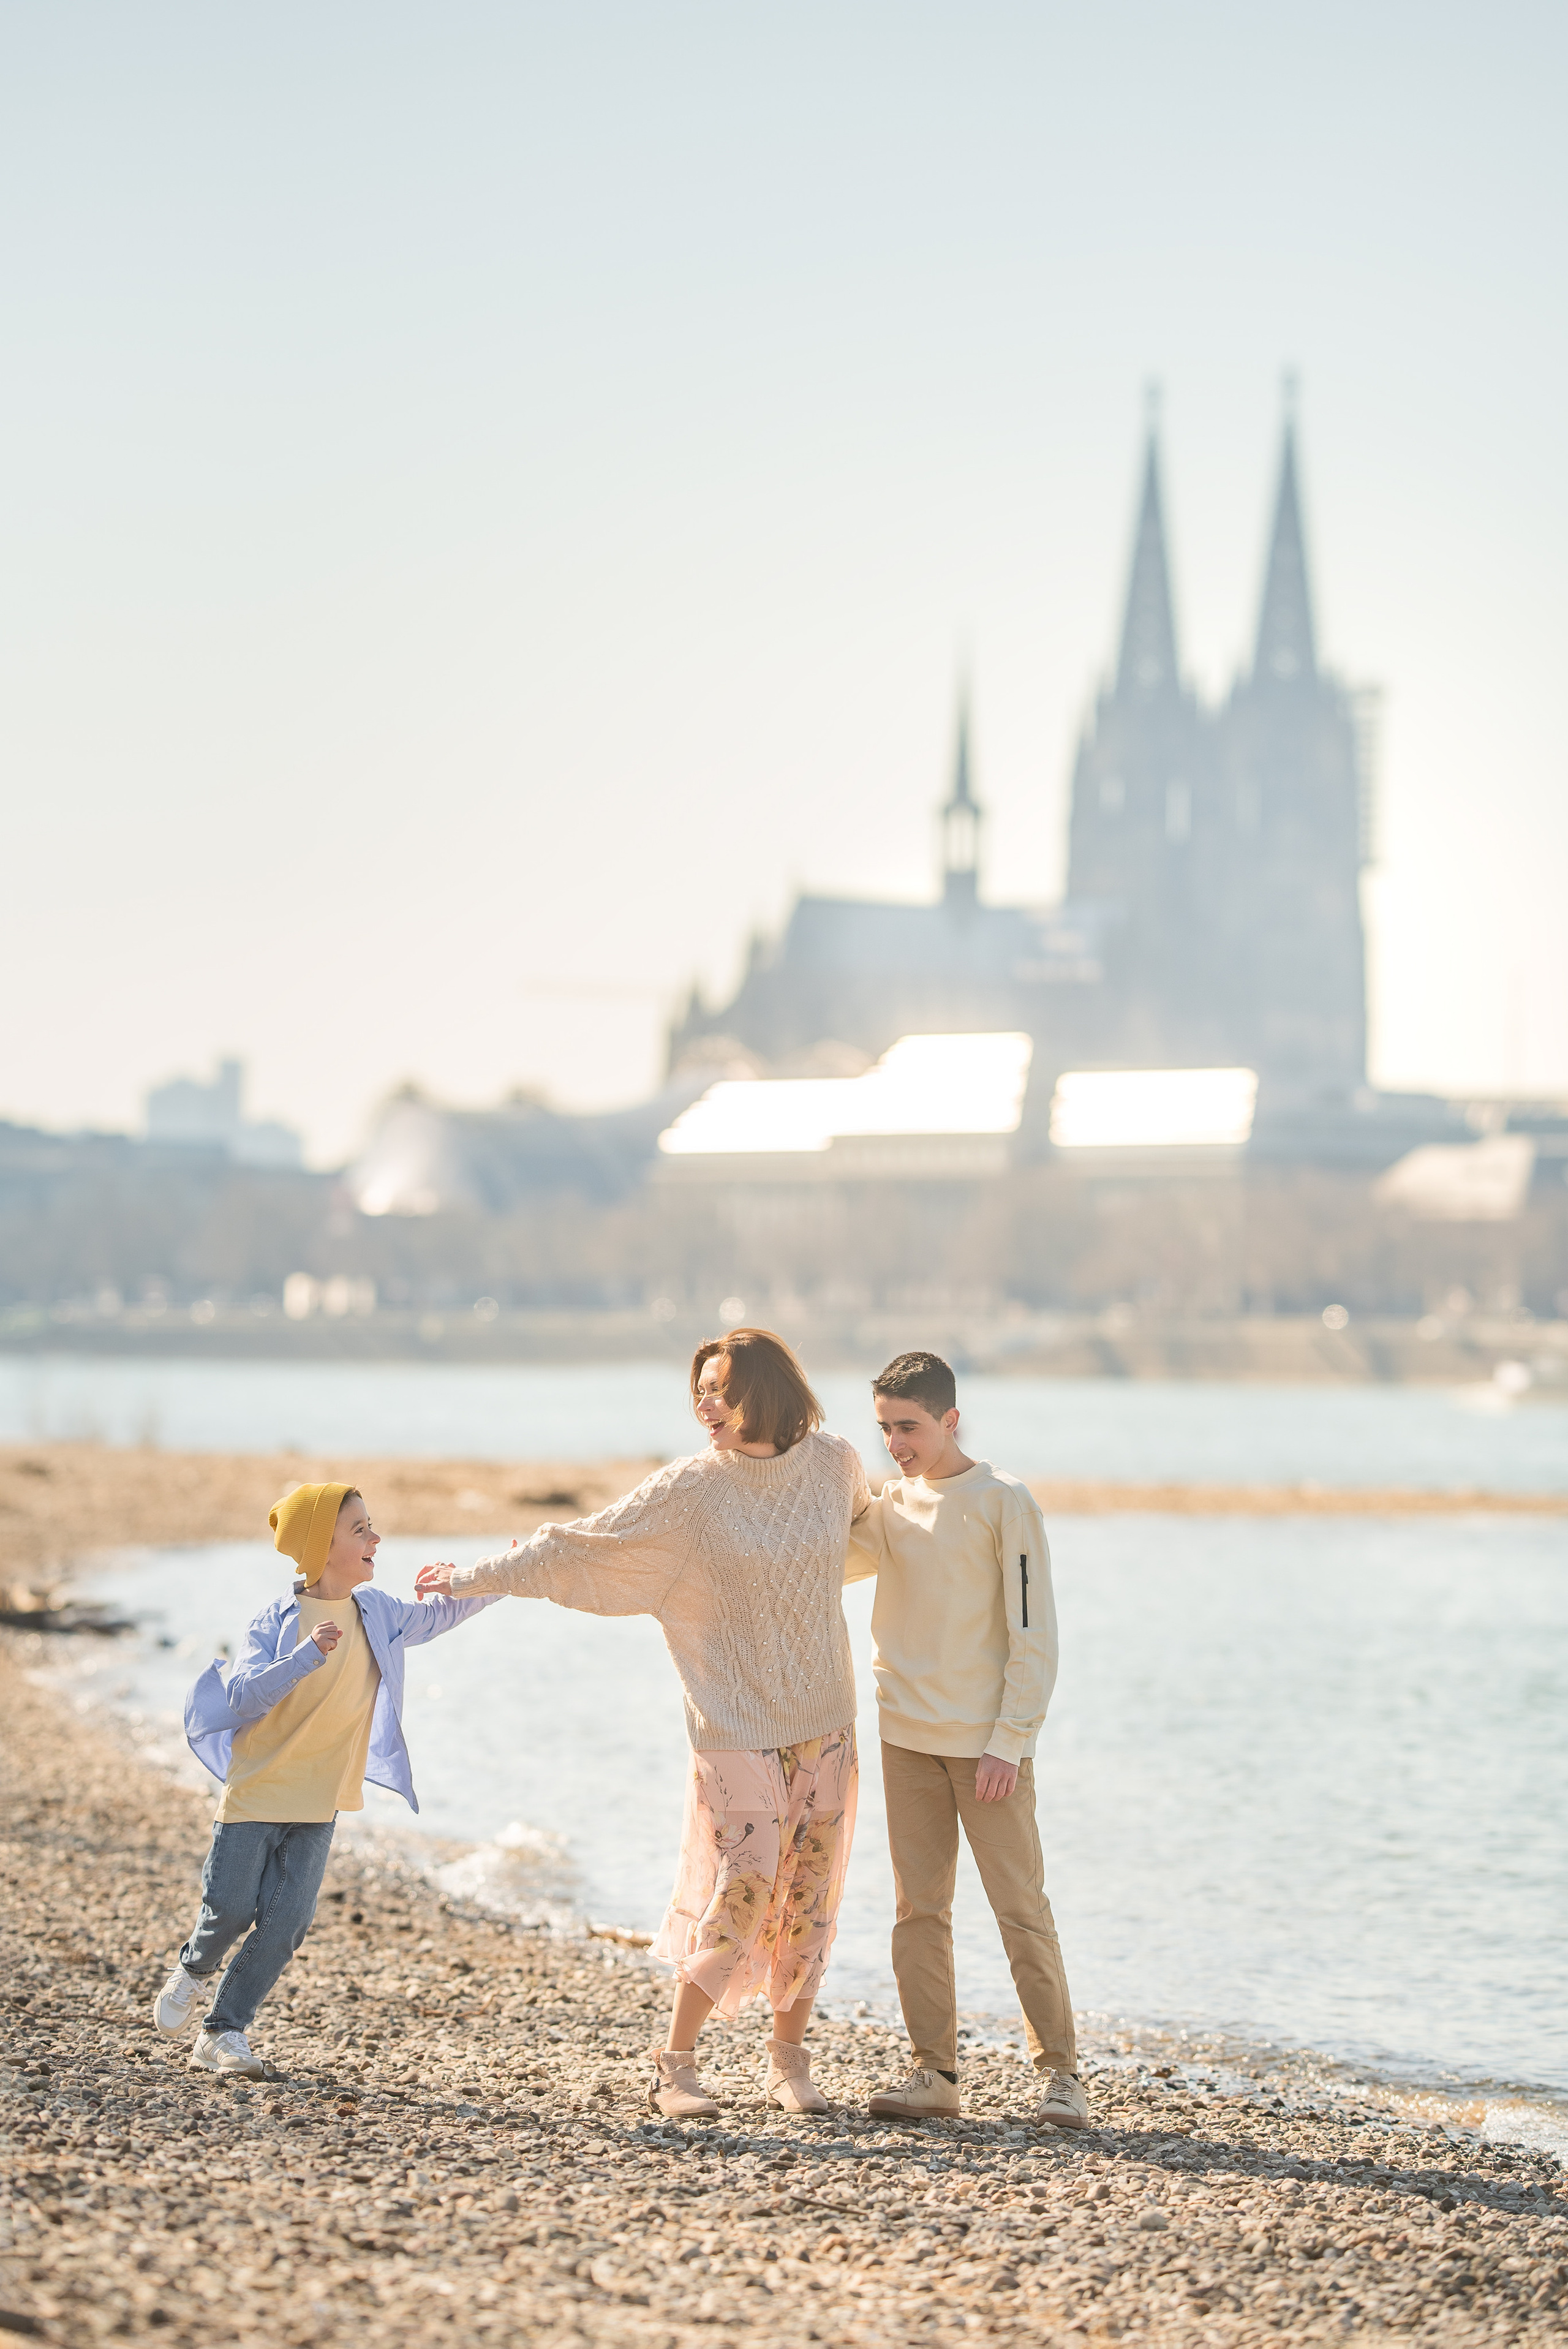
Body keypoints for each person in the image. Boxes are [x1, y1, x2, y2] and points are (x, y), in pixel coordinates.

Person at [417, 1329, 870, 2119]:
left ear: (767, 1390)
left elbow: (872, 1538)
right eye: (699, 1389)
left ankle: (788, 2063)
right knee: (747, 1885)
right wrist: (471, 1577)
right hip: (731, 1720)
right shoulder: (693, 1488)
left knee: (810, 1895)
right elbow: (587, 1546)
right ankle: (676, 2066)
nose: (706, 1404)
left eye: (721, 1389)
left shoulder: (835, 1464)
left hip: (826, 1717)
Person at [156, 1482, 498, 2078]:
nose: (375, 1537)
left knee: (287, 1922)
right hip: (258, 1790)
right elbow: (241, 1695)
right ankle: (193, 1967)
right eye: (360, 1528)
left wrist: (495, 1579)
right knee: (231, 1910)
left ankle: (222, 2031)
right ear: (323, 1545)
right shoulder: (276, 1620)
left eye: (371, 1525)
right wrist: (304, 1657)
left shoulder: (380, 1612)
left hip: (319, 1800)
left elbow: (440, 1614)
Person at [846, 1351, 1088, 2129]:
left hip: (987, 1745)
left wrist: (1009, 1739)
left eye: (909, 1427)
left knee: (1020, 1906)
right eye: (885, 1428)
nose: (897, 1443)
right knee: (918, 1909)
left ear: (951, 1419)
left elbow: (1034, 1634)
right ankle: (934, 2072)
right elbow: (814, 1561)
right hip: (905, 1737)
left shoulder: (1003, 1501)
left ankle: (1061, 2076)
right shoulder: (887, 1507)